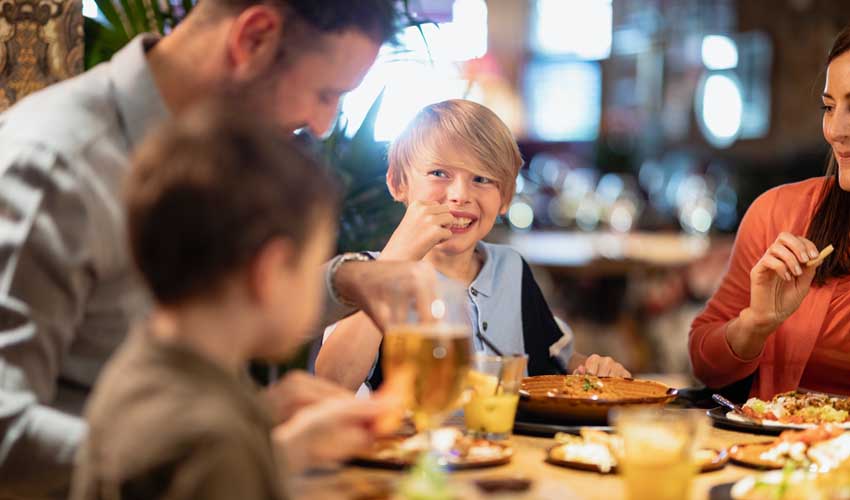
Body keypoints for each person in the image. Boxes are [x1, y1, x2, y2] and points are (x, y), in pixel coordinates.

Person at [0, 1, 428, 496]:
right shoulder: (55, 166)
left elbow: (218, 302)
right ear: (254, 38)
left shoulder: (208, 150)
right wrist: (223, 449)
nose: (321, 125)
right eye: (324, 94)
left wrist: (249, 422)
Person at [70, 104, 398, 500]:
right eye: (312, 262)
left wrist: (279, 447)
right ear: (270, 273)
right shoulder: (215, 442)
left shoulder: (145, 364)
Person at [315, 99, 630, 392]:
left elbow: (554, 360)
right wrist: (393, 263)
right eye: (439, 173)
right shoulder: (365, 274)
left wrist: (592, 369)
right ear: (399, 183)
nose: (460, 195)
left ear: (505, 198)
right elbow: (332, 381)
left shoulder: (511, 269)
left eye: (481, 179)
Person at [689, 25, 850, 400]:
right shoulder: (778, 214)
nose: (836, 130)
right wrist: (756, 323)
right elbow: (705, 363)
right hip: (788, 437)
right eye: (829, 108)